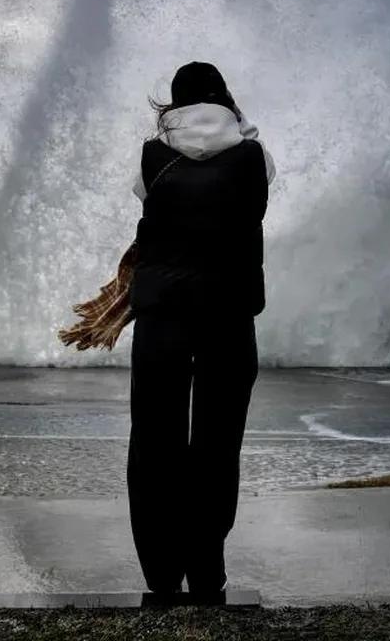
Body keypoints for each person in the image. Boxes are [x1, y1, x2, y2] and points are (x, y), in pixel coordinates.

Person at [126, 61, 275, 598]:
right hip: (229, 315)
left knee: (155, 441)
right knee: (217, 442)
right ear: (225, 99)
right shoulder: (256, 154)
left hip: (163, 315)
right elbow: (257, 187)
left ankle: (162, 575)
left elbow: (149, 205)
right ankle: (207, 568)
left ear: (173, 103)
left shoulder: (152, 155)